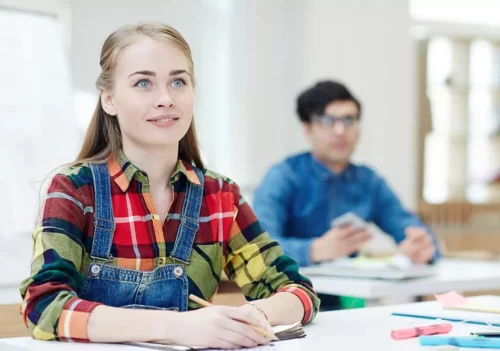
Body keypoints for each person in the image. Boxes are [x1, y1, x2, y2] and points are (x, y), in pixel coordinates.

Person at [19, 23, 319, 349]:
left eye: (178, 81)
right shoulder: (74, 190)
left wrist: (249, 315)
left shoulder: (220, 196)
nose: (165, 99)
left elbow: (299, 292)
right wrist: (177, 327)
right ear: (109, 100)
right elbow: (43, 307)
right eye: (144, 83)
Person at [253, 80, 440, 276]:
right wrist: (314, 250)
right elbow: (257, 250)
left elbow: (411, 228)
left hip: (352, 297)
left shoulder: (368, 181)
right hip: (289, 296)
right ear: (308, 129)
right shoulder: (283, 177)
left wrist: (422, 247)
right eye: (327, 121)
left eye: (349, 120)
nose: (340, 131)